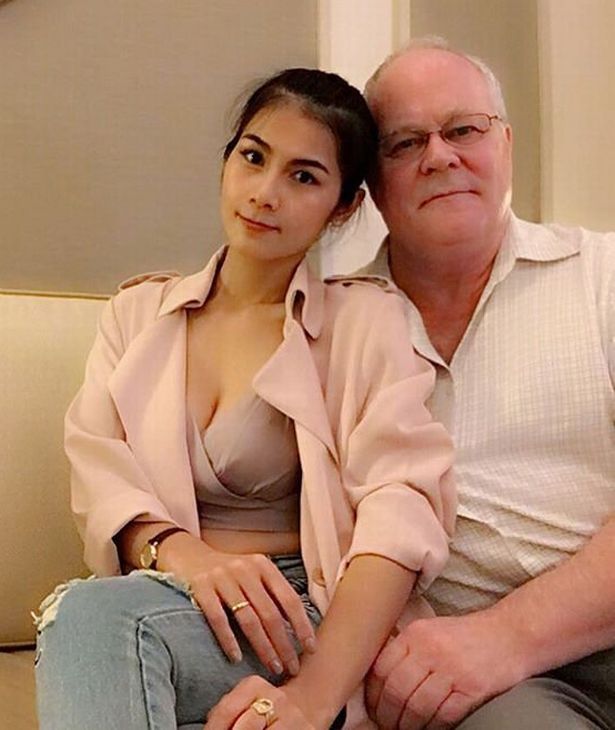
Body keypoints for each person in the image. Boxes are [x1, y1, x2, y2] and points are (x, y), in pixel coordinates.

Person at [33, 67, 455, 730]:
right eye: (253, 157)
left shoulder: (364, 323)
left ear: (342, 206)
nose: (264, 193)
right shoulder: (136, 314)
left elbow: (400, 510)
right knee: (98, 617)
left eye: (303, 177)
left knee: (92, 618)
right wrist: (184, 555)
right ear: (227, 159)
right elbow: (99, 470)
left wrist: (315, 695)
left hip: (296, 608)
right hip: (164, 591)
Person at [357, 37, 615, 729]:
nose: (439, 156)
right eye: (405, 142)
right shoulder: (332, 326)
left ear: (505, 143)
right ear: (371, 182)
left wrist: (508, 635)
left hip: (515, 644)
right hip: (512, 696)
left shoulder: (603, 278)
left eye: (464, 129)